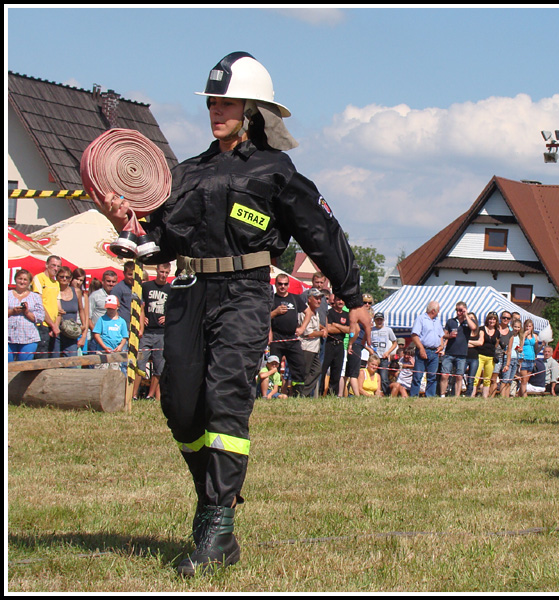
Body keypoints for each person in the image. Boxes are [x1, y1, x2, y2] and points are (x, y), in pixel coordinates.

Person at [93, 51, 370, 576]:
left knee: (226, 399)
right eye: (212, 101)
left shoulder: (275, 170)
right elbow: (162, 241)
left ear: (253, 109)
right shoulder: (188, 171)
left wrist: (354, 295)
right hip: (188, 289)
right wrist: (128, 227)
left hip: (245, 293)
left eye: (227, 102)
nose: (216, 110)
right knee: (179, 406)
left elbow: (322, 232)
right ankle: (213, 498)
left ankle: (217, 527)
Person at [133, 263, 171, 401]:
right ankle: (134, 395)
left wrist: (168, 317)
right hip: (147, 332)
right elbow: (138, 306)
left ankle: (150, 395)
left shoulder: (170, 289)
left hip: (161, 333)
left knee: (159, 367)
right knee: (140, 363)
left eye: (166, 272)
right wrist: (141, 318)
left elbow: (175, 309)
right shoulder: (146, 287)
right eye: (161, 272)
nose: (164, 275)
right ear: (157, 271)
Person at [269, 274, 306, 397]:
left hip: (292, 338)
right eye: (280, 284)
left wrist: (302, 328)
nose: (282, 286)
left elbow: (309, 312)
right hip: (277, 339)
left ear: (288, 285)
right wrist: (275, 312)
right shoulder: (271, 300)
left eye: (285, 284)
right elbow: (264, 317)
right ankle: (271, 393)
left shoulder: (295, 298)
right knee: (273, 367)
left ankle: (297, 394)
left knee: (299, 366)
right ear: (276, 284)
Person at [439, 301, 477, 397]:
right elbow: (443, 334)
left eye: (461, 310)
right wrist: (449, 336)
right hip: (449, 353)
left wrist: (466, 315)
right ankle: (443, 395)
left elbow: (474, 327)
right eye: (457, 310)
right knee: (444, 375)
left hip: (462, 354)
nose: (458, 312)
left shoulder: (468, 322)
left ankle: (456, 396)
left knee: (459, 376)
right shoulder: (451, 321)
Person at [8, 269, 46, 362]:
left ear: (29, 282)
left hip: (29, 338)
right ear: (15, 279)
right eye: (20, 279)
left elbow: (40, 317)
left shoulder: (35, 296)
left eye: (25, 280)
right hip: (8, 337)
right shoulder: (7, 294)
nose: (22, 281)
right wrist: (12, 311)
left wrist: (27, 312)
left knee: (24, 367)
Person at [410, 301, 445, 398]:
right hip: (423, 350)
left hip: (434, 352)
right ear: (433, 311)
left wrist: (441, 345)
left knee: (432, 377)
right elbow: (414, 335)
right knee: (418, 376)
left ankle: (430, 396)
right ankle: (413, 396)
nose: (438, 312)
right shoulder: (421, 319)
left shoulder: (437, 321)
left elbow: (441, 335)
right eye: (438, 310)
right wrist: (421, 349)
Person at [30, 254, 62, 359]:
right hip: (42, 324)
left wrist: (55, 326)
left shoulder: (56, 283)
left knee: (50, 357)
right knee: (41, 357)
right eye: (53, 265)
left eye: (58, 266)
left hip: (53, 327)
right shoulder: (39, 278)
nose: (56, 268)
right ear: (47, 265)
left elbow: (59, 309)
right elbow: (39, 305)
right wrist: (52, 325)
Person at [297, 288, 327, 396]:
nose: (319, 301)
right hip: (306, 347)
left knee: (317, 370)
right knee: (305, 372)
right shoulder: (305, 311)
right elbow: (308, 332)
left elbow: (316, 324)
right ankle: (299, 393)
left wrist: (323, 328)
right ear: (309, 299)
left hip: (314, 347)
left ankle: (304, 393)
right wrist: (322, 333)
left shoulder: (316, 311)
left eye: (320, 299)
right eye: (316, 298)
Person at [55, 266, 89, 358]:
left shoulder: (76, 292)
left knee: (72, 362)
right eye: (61, 276)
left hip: (71, 332)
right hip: (56, 332)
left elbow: (81, 310)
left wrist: (84, 328)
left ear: (70, 278)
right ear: (57, 277)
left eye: (67, 277)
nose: (64, 279)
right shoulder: (54, 290)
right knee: (55, 361)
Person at [321, 295, 350, 396]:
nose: (340, 302)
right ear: (334, 300)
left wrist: (336, 325)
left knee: (336, 372)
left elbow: (350, 330)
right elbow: (327, 328)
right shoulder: (329, 313)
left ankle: (332, 394)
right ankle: (320, 394)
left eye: (342, 299)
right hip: (329, 344)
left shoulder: (347, 314)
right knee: (323, 370)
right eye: (338, 299)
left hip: (340, 345)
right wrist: (343, 328)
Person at [92, 295, 128, 367]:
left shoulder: (122, 321)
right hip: (103, 352)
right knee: (102, 371)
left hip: (115, 351)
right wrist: (104, 346)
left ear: (117, 307)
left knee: (115, 372)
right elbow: (96, 334)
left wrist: (120, 346)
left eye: (112, 308)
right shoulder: (101, 319)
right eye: (108, 308)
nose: (110, 310)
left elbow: (124, 337)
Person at [88, 270, 118, 356]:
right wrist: (97, 333)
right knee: (95, 365)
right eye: (108, 281)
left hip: (113, 337)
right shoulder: (95, 295)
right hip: (97, 337)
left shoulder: (117, 295)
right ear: (103, 282)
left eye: (113, 282)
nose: (111, 284)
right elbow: (88, 317)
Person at [471, 312, 500, 398]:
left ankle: (485, 397)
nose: (492, 321)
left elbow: (496, 344)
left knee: (487, 379)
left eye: (494, 319)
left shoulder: (497, 332)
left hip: (490, 357)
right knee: (476, 377)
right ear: (487, 320)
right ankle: (472, 395)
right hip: (480, 355)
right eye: (490, 319)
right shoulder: (481, 329)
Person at [370, 312, 398, 393]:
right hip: (374, 358)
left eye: (380, 320)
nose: (379, 322)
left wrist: (388, 352)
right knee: (373, 376)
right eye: (377, 320)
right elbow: (365, 342)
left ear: (383, 320)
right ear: (374, 320)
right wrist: (369, 349)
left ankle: (385, 394)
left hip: (384, 358)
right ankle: (374, 392)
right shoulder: (371, 330)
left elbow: (395, 342)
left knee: (384, 378)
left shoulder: (388, 330)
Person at [517, 318, 540, 397]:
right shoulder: (522, 335)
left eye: (529, 326)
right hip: (524, 358)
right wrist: (524, 336)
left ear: (532, 327)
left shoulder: (535, 336)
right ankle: (524, 396)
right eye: (526, 326)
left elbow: (536, 349)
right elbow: (520, 346)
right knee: (524, 380)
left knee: (526, 380)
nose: (528, 328)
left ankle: (519, 395)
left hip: (531, 359)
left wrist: (542, 345)